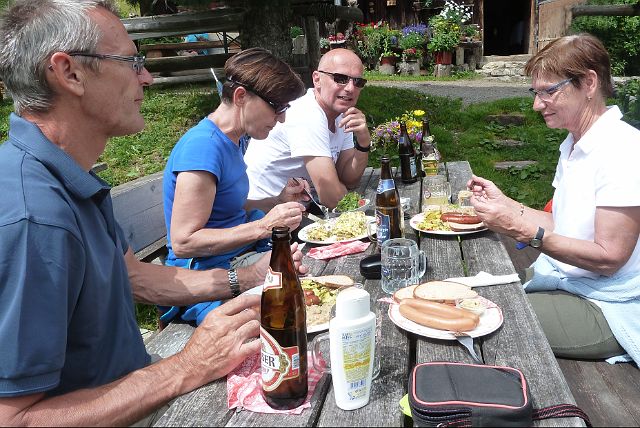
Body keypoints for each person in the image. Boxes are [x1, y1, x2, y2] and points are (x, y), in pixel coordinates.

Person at [0, 1, 307, 425]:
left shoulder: (68, 177)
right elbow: (14, 419)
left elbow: (137, 277)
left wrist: (247, 278)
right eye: (131, 61)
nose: (146, 75)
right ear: (69, 73)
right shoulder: (34, 217)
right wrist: (185, 366)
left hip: (135, 384)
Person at [467, 34, 640, 365]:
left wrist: (522, 230)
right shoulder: (576, 144)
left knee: (484, 319)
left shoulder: (623, 151)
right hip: (574, 283)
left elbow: (609, 258)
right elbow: (563, 225)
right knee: (471, 296)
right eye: (536, 92)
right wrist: (507, 205)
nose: (536, 104)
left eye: (548, 91)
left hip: (612, 307)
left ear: (589, 83)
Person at [161, 48, 308, 325]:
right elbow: (183, 241)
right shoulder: (203, 147)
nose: (282, 118)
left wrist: (275, 201)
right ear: (241, 96)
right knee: (292, 315)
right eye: (277, 106)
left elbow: (229, 211)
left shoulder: (235, 139)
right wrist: (263, 227)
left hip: (239, 258)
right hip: (208, 277)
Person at [244, 48, 372, 210]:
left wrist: (364, 142)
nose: (350, 88)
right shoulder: (307, 114)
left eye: (358, 82)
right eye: (340, 79)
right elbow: (332, 198)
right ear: (317, 79)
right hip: (263, 212)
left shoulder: (340, 114)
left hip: (300, 207)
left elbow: (349, 179)